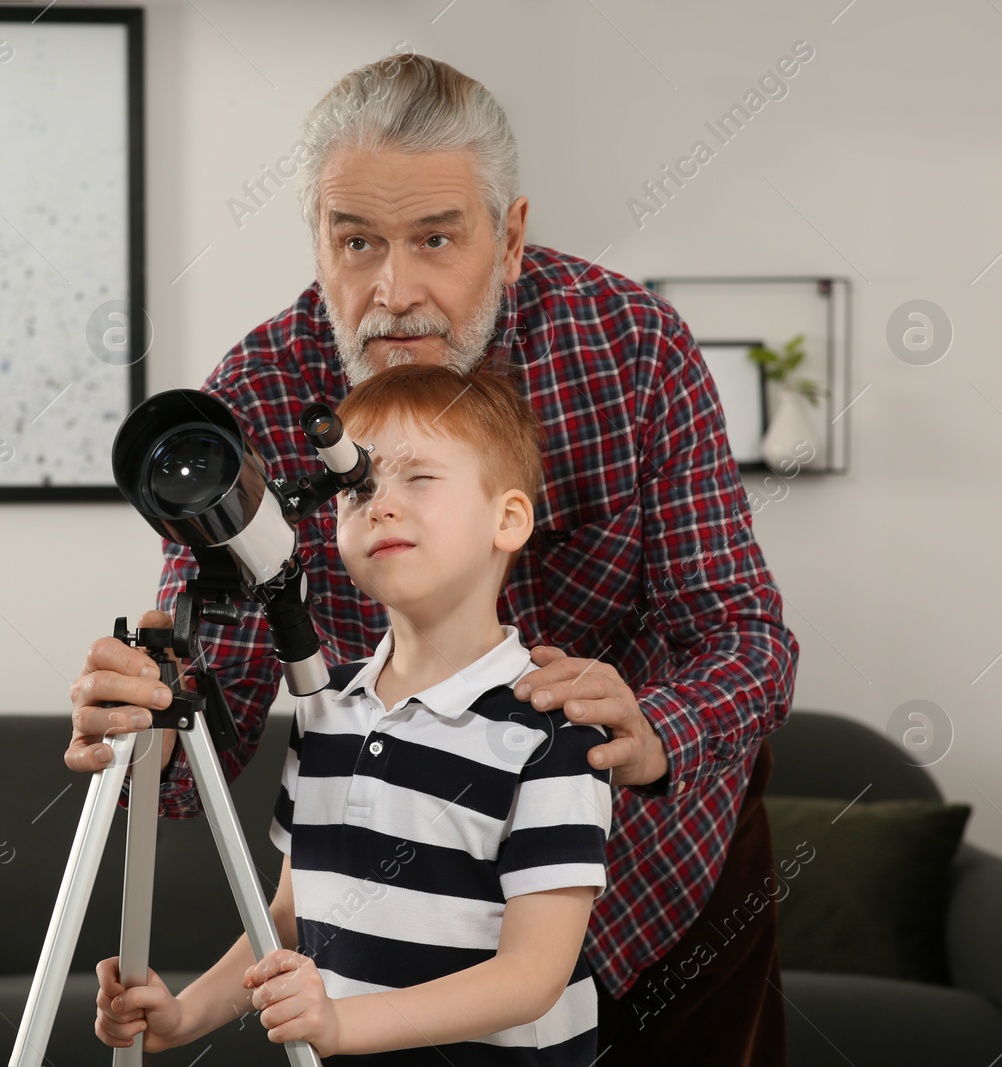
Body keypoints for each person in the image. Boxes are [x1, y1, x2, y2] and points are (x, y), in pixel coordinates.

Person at [70, 52, 800, 1065]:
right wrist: (148, 726)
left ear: (507, 238)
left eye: (435, 238)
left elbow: (743, 637)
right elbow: (220, 703)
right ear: (316, 238)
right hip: (407, 946)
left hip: (661, 869)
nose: (392, 288)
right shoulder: (254, 397)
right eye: (355, 239)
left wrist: (653, 727)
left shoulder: (630, 347)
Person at [95, 362, 614, 1062]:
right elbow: (287, 916)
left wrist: (343, 1025)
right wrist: (186, 1015)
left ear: (509, 517)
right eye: (360, 487)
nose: (381, 504)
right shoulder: (326, 708)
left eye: (419, 477)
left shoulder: (553, 730)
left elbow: (531, 977)